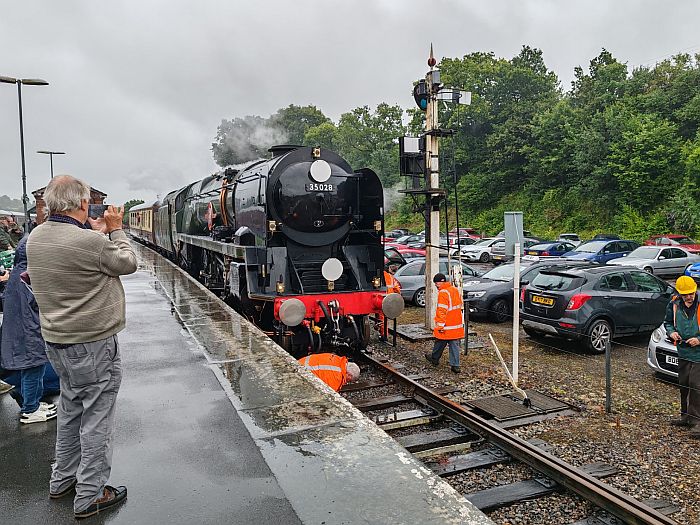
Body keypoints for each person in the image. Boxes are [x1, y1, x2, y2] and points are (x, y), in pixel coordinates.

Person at [27, 175, 137, 518]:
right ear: (82, 203)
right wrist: (115, 230)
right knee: (97, 419)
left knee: (70, 412)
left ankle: (62, 480)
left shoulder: (36, 236)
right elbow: (128, 262)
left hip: (58, 342)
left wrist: (95, 233)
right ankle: (90, 494)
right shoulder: (88, 242)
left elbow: (76, 252)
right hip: (93, 344)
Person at [0, 237, 57, 423]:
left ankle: (30, 400)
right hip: (29, 329)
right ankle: (30, 409)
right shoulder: (29, 275)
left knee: (32, 365)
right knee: (33, 365)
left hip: (19, 326)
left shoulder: (18, 272)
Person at [664, 275, 700, 439]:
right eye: (685, 294)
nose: (689, 297)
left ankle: (697, 421)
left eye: (691, 293)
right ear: (679, 293)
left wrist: (699, 339)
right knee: (684, 383)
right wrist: (672, 332)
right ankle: (686, 416)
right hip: (683, 351)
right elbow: (668, 322)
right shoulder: (674, 304)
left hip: (698, 354)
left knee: (696, 385)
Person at [424, 273, 465, 374]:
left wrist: (440, 325)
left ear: (440, 282)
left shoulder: (443, 293)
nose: (436, 285)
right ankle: (455, 365)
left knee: (440, 341)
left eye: (436, 283)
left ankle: (434, 359)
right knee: (453, 343)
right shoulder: (454, 290)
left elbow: (442, 311)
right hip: (456, 323)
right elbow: (459, 305)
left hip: (447, 325)